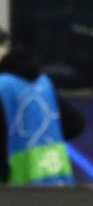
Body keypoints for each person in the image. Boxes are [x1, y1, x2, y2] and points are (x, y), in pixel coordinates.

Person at [0, 29, 84, 185]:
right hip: (56, 178)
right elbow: (76, 124)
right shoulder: (43, 82)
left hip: (15, 187)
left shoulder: (2, 86)